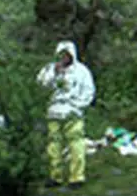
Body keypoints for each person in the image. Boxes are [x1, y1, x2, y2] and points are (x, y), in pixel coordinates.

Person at [37, 40, 94, 187]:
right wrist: (55, 73)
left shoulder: (82, 71)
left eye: (67, 55)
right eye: (61, 55)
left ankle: (77, 177)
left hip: (73, 113)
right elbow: (41, 86)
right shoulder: (49, 70)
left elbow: (88, 92)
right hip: (54, 112)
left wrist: (77, 106)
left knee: (76, 145)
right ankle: (56, 176)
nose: (64, 57)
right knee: (54, 145)